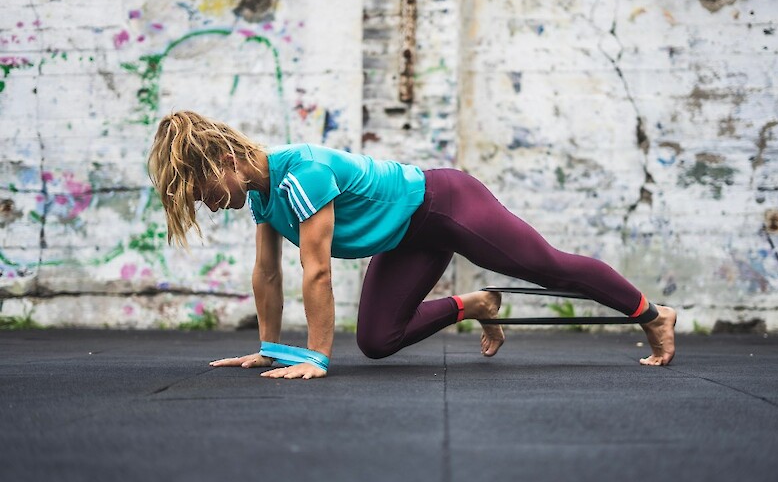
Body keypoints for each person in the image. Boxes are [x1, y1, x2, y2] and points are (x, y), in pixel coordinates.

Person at [147, 111, 677, 379]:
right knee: (377, 340)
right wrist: (267, 348)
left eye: (200, 189)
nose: (205, 203)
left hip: (443, 204)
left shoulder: (299, 173)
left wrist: (315, 356)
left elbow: (317, 271)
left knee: (548, 268)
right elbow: (267, 274)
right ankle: (475, 305)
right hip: (404, 238)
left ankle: (651, 314)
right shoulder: (263, 195)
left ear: (220, 161)